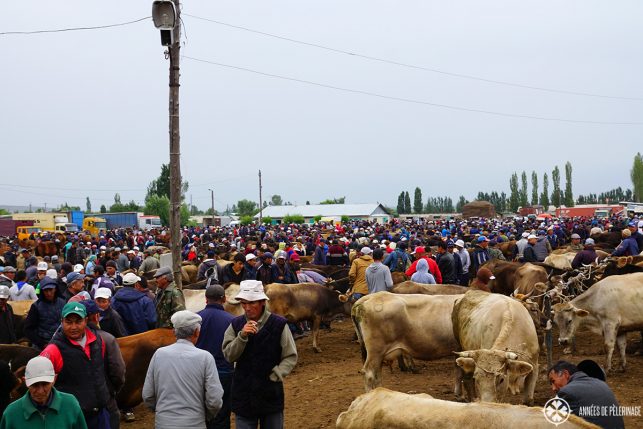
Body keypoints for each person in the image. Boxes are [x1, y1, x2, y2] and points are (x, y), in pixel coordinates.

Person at [222, 280, 298, 429]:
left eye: (252, 303)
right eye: (244, 303)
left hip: (270, 393)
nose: (247, 308)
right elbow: (229, 355)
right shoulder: (235, 325)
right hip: (243, 393)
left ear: (262, 302)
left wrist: (277, 373)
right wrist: (242, 336)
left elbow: (290, 355)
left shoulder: (278, 324)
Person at [143, 310, 224, 429]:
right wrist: (205, 416)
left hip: (163, 423)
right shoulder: (205, 357)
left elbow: (147, 395)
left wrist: (162, 412)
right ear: (197, 332)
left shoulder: (159, 354)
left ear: (174, 332)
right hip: (195, 423)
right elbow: (215, 400)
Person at [40, 302, 114, 429]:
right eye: (69, 322)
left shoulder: (98, 341)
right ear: (62, 322)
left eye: (78, 321)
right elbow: (41, 382)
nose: (74, 327)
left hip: (100, 413)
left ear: (85, 321)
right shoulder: (53, 350)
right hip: (72, 417)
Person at [0, 356, 87, 429]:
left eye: (45, 384)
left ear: (54, 379)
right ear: (25, 381)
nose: (40, 391)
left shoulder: (71, 405)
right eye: (34, 385)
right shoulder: (11, 414)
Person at [80, 300, 126, 429]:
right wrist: (113, 390)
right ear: (96, 316)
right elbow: (118, 372)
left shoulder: (65, 341)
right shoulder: (107, 339)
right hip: (104, 399)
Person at [196, 285, 236, 429]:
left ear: (206, 300)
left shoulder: (195, 319)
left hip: (199, 373)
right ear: (224, 299)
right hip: (224, 372)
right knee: (222, 412)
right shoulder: (233, 321)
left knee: (200, 411)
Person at [548, 360, 624, 429]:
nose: (553, 388)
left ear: (565, 374)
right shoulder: (602, 384)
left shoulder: (566, 392)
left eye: (553, 381)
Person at [23, 277, 66, 350]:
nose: (48, 293)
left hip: (61, 342)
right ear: (42, 291)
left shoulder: (63, 302)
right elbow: (28, 329)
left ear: (55, 289)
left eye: (50, 290)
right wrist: (42, 344)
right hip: (42, 345)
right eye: (46, 290)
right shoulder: (36, 306)